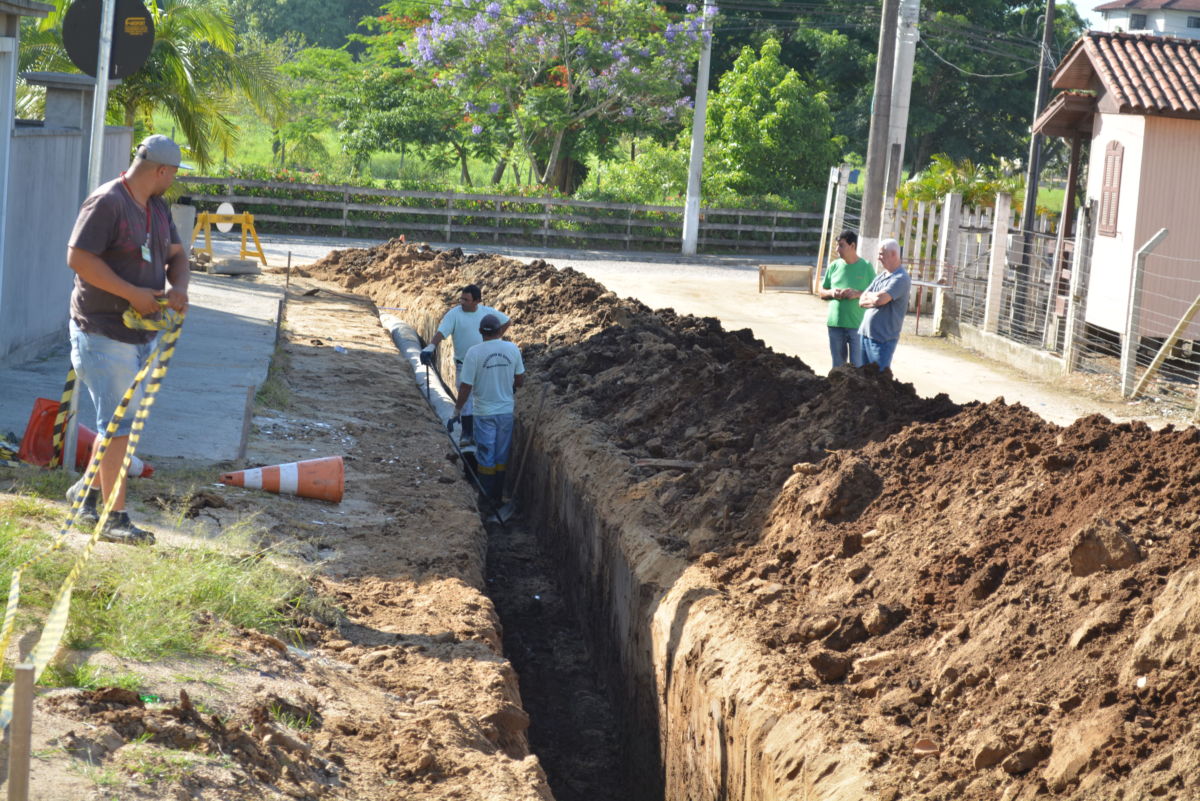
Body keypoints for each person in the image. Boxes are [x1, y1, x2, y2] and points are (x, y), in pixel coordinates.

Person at [66, 134, 192, 545]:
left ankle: (85, 495)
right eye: (173, 173)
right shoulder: (108, 202)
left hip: (139, 334)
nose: (174, 179)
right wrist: (131, 293)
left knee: (115, 421)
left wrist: (179, 289)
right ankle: (113, 518)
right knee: (119, 425)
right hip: (102, 330)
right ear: (160, 170)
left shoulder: (157, 207)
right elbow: (78, 258)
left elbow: (177, 255)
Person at [421, 284, 510, 447]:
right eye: (461, 298)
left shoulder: (486, 312)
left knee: (482, 399)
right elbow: (441, 332)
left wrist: (497, 337)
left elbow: (506, 320)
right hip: (464, 364)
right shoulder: (454, 314)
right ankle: (467, 433)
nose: (462, 302)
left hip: (485, 364)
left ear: (477, 301)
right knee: (466, 399)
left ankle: (481, 434)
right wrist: (431, 346)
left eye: (466, 300)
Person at [450, 314, 524, 506]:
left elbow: (465, 387)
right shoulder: (512, 349)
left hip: (484, 414)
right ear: (500, 331)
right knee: (501, 456)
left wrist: (457, 411)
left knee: (486, 456)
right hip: (506, 412)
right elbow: (520, 380)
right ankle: (497, 498)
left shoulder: (473, 353)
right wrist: (509, 384)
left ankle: (485, 501)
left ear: (480, 332)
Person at [818, 230, 876, 368]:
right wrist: (832, 293)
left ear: (853, 246)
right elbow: (821, 292)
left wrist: (857, 294)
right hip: (835, 325)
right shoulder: (834, 266)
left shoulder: (866, 267)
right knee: (838, 368)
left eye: (841, 245)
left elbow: (876, 294)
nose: (837, 249)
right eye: (837, 246)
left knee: (858, 368)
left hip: (857, 326)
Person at [857, 238, 911, 371]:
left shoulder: (901, 278)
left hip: (882, 340)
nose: (878, 258)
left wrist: (875, 298)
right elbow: (862, 299)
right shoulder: (882, 276)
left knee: (878, 381)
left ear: (893, 254)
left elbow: (880, 300)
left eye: (881, 254)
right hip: (865, 335)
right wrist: (874, 297)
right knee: (861, 378)